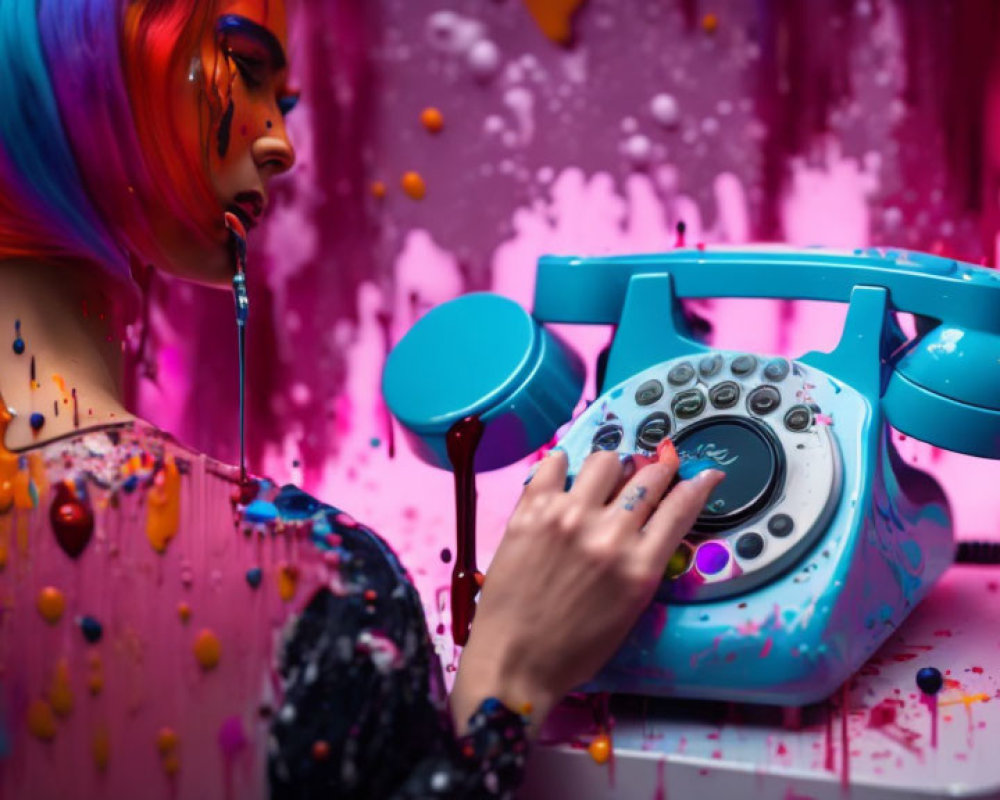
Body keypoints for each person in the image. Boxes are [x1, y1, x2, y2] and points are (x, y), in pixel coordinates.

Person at [0, 2, 724, 798]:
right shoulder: (312, 585)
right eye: (244, 73)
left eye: (287, 106)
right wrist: (506, 678)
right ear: (66, 65)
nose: (281, 146)